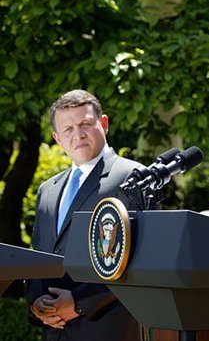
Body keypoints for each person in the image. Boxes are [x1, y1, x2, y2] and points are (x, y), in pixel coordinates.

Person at [25, 90, 143, 341]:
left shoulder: (134, 178)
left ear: (103, 124)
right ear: (57, 138)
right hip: (53, 331)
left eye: (85, 124)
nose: (77, 134)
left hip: (106, 327)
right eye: (67, 129)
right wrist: (36, 304)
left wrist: (78, 302)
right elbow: (38, 255)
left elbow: (140, 261)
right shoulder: (48, 190)